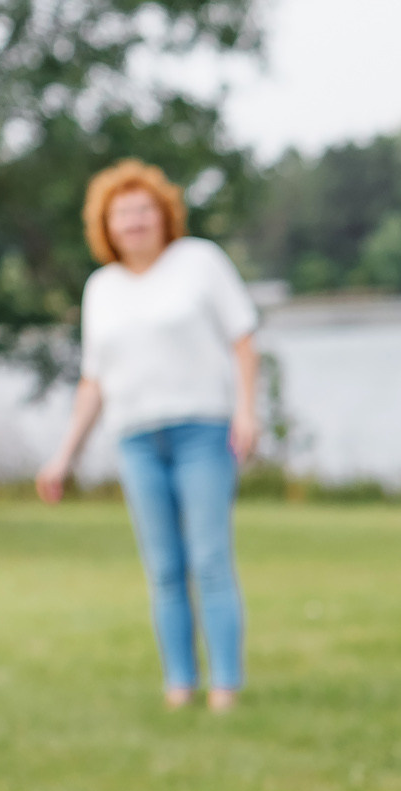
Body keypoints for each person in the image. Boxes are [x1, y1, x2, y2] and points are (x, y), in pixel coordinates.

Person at [37, 160, 260, 712]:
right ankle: (179, 684)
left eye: (143, 210)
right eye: (122, 214)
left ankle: (225, 685)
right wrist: (63, 457)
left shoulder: (200, 262)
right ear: (105, 226)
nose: (134, 222)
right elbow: (94, 381)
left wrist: (247, 411)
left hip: (201, 429)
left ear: (164, 215)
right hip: (136, 438)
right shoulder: (101, 288)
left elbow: (243, 340)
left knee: (209, 559)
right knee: (164, 568)